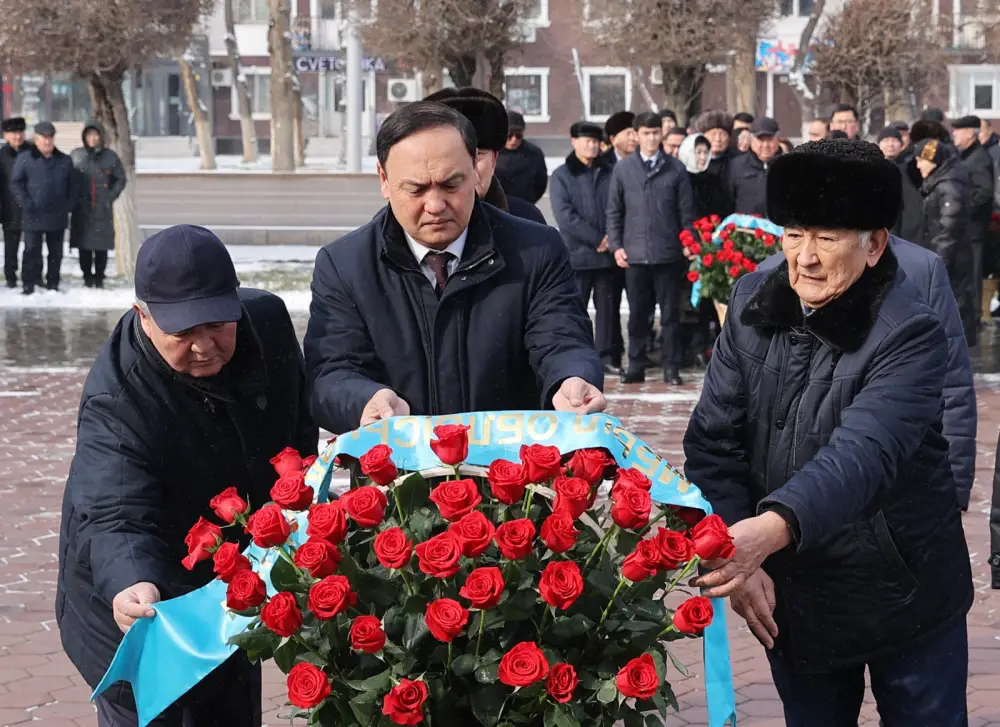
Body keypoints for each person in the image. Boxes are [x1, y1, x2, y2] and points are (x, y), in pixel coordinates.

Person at [685, 139, 973, 727]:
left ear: (875, 244)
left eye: (827, 237)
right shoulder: (751, 301)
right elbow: (714, 441)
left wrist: (764, 534)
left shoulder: (909, 330)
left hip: (904, 591)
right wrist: (743, 562)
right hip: (797, 591)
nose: (805, 258)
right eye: (794, 234)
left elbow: (863, 454)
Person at [56, 224, 317, 727]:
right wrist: (131, 582)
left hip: (228, 585)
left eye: (218, 324)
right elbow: (115, 512)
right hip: (137, 612)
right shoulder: (118, 398)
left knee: (231, 702)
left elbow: (297, 432)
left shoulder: (267, 322)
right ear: (143, 317)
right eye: (183, 333)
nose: (204, 346)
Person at [304, 102, 605, 432]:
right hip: (396, 472)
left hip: (514, 470)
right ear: (384, 180)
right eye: (416, 189)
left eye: (451, 184)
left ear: (476, 169)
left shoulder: (537, 250)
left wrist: (571, 379)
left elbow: (561, 340)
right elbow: (332, 372)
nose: (435, 205)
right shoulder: (345, 265)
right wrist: (366, 399)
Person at [606, 111, 695, 386]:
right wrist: (617, 245)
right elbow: (614, 211)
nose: (651, 138)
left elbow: (686, 212)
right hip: (635, 254)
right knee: (637, 315)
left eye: (656, 133)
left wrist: (688, 242)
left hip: (668, 253)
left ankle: (671, 367)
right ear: (637, 135)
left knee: (670, 315)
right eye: (646, 133)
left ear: (661, 135)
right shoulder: (623, 169)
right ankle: (635, 365)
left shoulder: (676, 168)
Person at [550, 121, 618, 373]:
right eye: (586, 140)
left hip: (607, 256)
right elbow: (565, 215)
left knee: (608, 311)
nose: (591, 145)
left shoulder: (610, 171)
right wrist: (596, 239)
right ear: (574, 141)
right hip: (577, 255)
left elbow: (619, 206)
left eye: (595, 141)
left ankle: (606, 357)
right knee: (574, 309)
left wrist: (611, 237)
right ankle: (575, 357)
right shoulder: (562, 175)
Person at [424, 87, 546, 225]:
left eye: (478, 156)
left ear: (493, 161)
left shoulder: (529, 223)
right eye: (451, 156)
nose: (468, 170)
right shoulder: (404, 224)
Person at [914, 138, 977, 347]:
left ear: (933, 160)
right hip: (947, 255)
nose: (918, 165)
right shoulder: (939, 181)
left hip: (952, 258)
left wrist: (938, 263)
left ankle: (959, 350)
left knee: (954, 304)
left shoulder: (948, 185)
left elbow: (949, 229)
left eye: (921, 160)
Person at [11, 122, 77, 294]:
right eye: (44, 138)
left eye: (50, 138)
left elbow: (73, 186)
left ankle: (53, 283)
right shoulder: (25, 158)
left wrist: (68, 205)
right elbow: (16, 183)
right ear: (36, 139)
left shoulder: (64, 160)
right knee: (31, 250)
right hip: (33, 213)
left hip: (57, 214)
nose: (47, 142)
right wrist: (25, 202)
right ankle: (28, 283)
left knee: (55, 253)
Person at [953, 114, 994, 345]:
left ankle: (975, 319)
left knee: (975, 275)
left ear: (970, 133)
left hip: (974, 230)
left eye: (958, 131)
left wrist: (964, 207)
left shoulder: (979, 158)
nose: (955, 135)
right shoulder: (967, 156)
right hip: (968, 230)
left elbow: (984, 191)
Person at [70, 121, 127, 288]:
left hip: (102, 209)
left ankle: (100, 277)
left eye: (96, 135)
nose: (92, 139)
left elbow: (120, 178)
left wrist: (109, 196)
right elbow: (68, 178)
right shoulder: (76, 155)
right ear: (84, 137)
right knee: (84, 245)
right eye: (89, 135)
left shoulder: (110, 156)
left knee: (101, 246)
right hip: (81, 209)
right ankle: (87, 277)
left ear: (101, 136)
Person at [0, 117, 32, 288]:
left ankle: (31, 277)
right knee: (11, 246)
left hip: (30, 208)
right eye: (13, 133)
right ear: (6, 135)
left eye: (20, 132)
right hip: (9, 208)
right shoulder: (2, 155)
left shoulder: (32, 152)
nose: (17, 137)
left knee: (32, 246)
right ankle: (11, 277)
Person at [727, 116, 780, 217]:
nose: (765, 145)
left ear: (778, 140)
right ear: (751, 140)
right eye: (760, 140)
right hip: (747, 229)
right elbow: (728, 201)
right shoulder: (736, 166)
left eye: (770, 140)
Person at [494, 110, 548, 205]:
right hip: (495, 209)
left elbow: (540, 184)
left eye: (518, 135)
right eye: (509, 135)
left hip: (524, 207)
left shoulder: (534, 153)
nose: (514, 139)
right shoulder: (491, 152)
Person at [695, 110, 737, 217]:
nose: (718, 139)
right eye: (713, 134)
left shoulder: (737, 161)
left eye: (722, 134)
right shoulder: (693, 161)